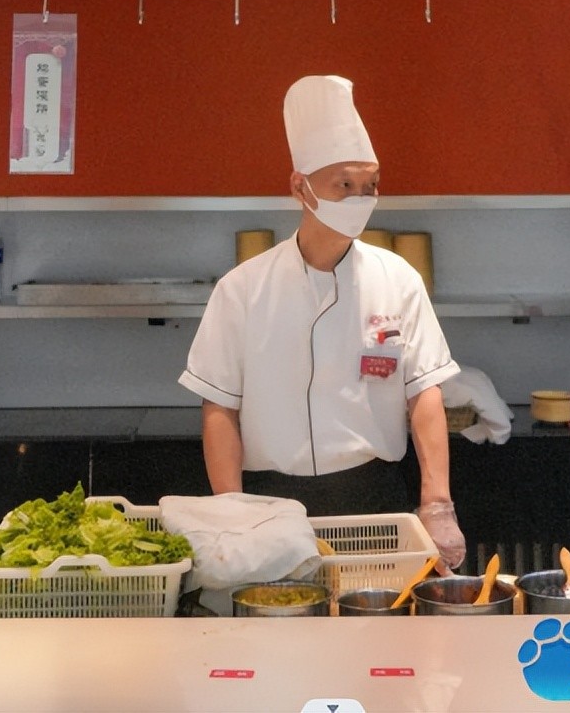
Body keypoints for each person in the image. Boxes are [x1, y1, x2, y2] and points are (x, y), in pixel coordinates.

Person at [178, 74, 466, 571]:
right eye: (345, 185)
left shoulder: (397, 279)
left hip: (375, 498)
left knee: (377, 638)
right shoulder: (243, 289)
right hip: (271, 503)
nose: (361, 197)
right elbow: (219, 408)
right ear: (300, 188)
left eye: (370, 185)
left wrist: (437, 505)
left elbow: (424, 393)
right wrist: (232, 510)